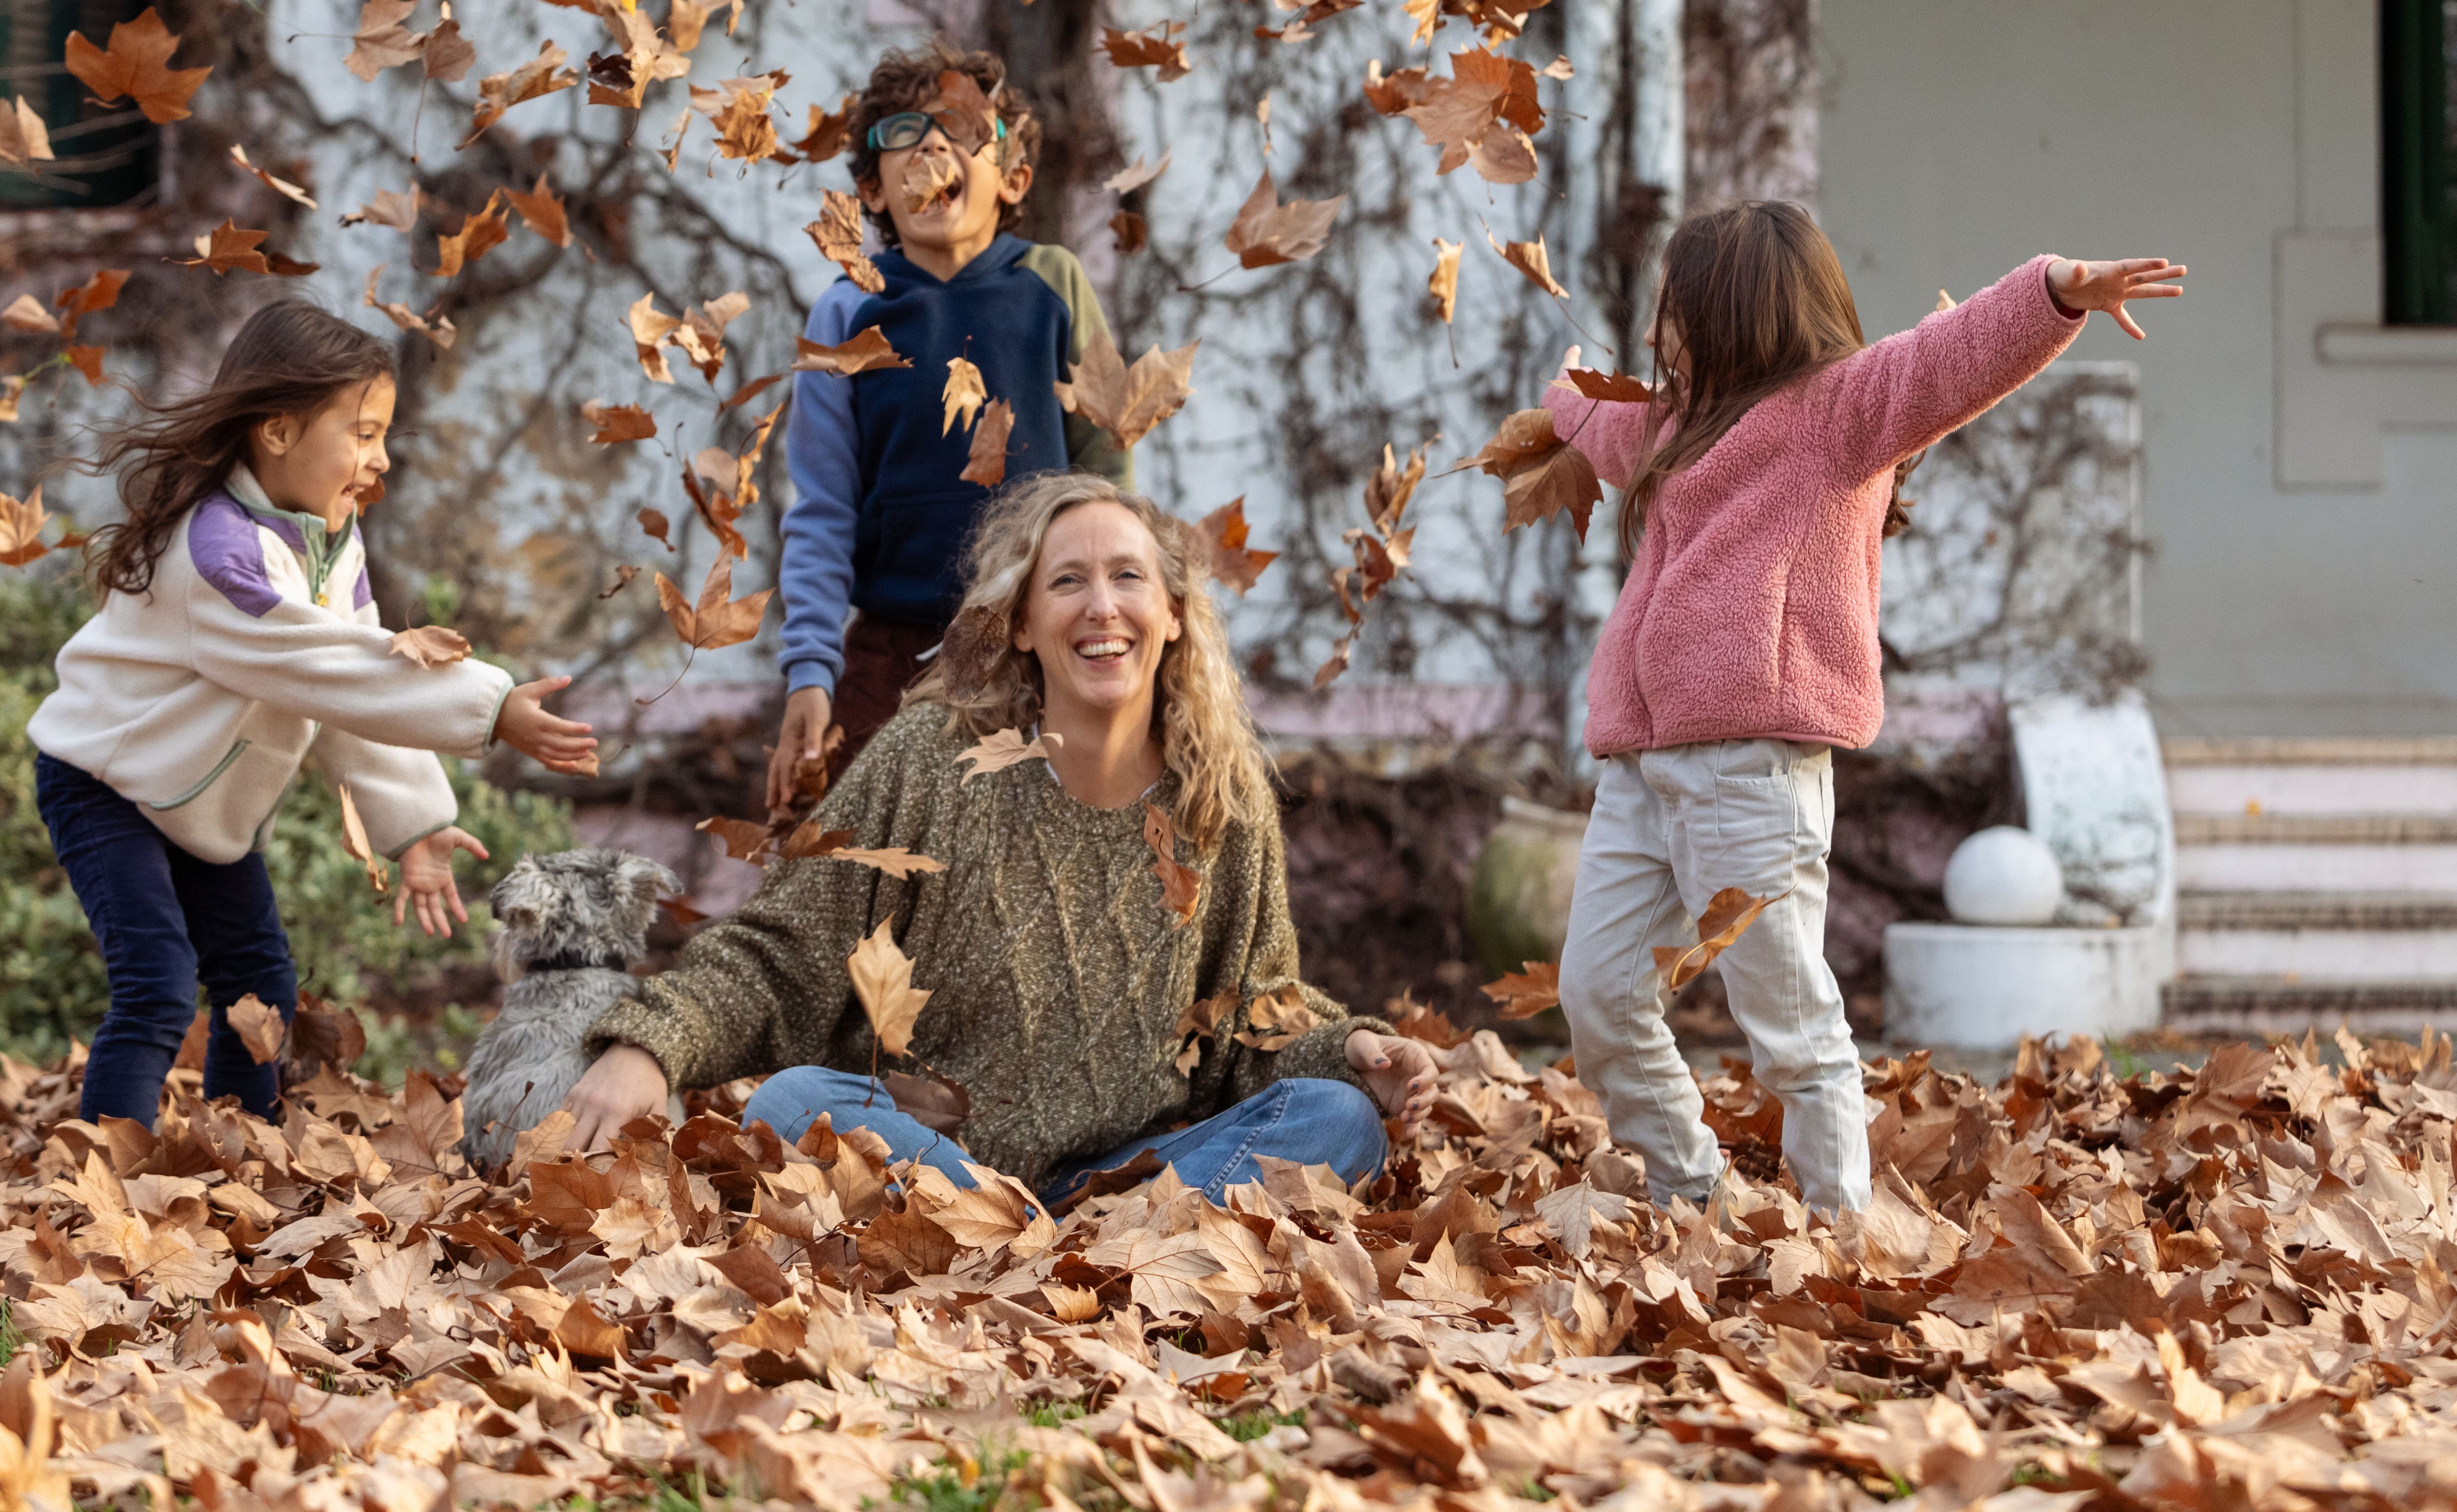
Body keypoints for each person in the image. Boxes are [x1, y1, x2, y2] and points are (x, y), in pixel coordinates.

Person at [1545, 203, 2185, 1216]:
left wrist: (2057, 288)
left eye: (1676, 311)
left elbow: (1949, 359)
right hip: (1640, 774)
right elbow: (1598, 424)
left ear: (1732, 316)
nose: (1659, 332)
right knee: (1598, 992)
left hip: (1753, 773)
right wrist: (1557, 394)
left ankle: (1837, 1231)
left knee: (1787, 1023)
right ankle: (1690, 1191)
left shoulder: (1838, 415)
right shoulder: (1678, 427)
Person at [557, 472, 1442, 1203]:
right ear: (1021, 623)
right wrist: (651, 1044)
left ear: (1174, 613)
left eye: (1129, 578)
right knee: (796, 1104)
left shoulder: (1222, 797)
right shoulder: (930, 763)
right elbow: (782, 952)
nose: (1102, 608)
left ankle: (1086, 1251)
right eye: (1067, 582)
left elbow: (1255, 1014)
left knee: (1338, 1121)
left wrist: (1351, 1049)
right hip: (935, 1163)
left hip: (1128, 1181)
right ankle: (1048, 1246)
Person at [27, 300, 601, 1128]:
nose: (380, 459)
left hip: (200, 803)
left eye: (383, 436)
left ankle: (236, 1159)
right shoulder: (218, 552)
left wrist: (414, 820)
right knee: (156, 984)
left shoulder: (327, 542)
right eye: (362, 434)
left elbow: (349, 686)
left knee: (261, 990)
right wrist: (492, 705)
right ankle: (94, 1178)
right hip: (105, 784)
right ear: (278, 431)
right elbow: (326, 666)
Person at [767, 41, 1132, 814]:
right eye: (904, 132)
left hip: (1038, 648)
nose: (933, 144)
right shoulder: (846, 313)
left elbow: (1109, 477)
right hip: (891, 647)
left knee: (1040, 855)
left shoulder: (1055, 285)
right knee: (858, 852)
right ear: (872, 190)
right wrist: (809, 671)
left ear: (1013, 180)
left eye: (963, 130)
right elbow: (823, 510)